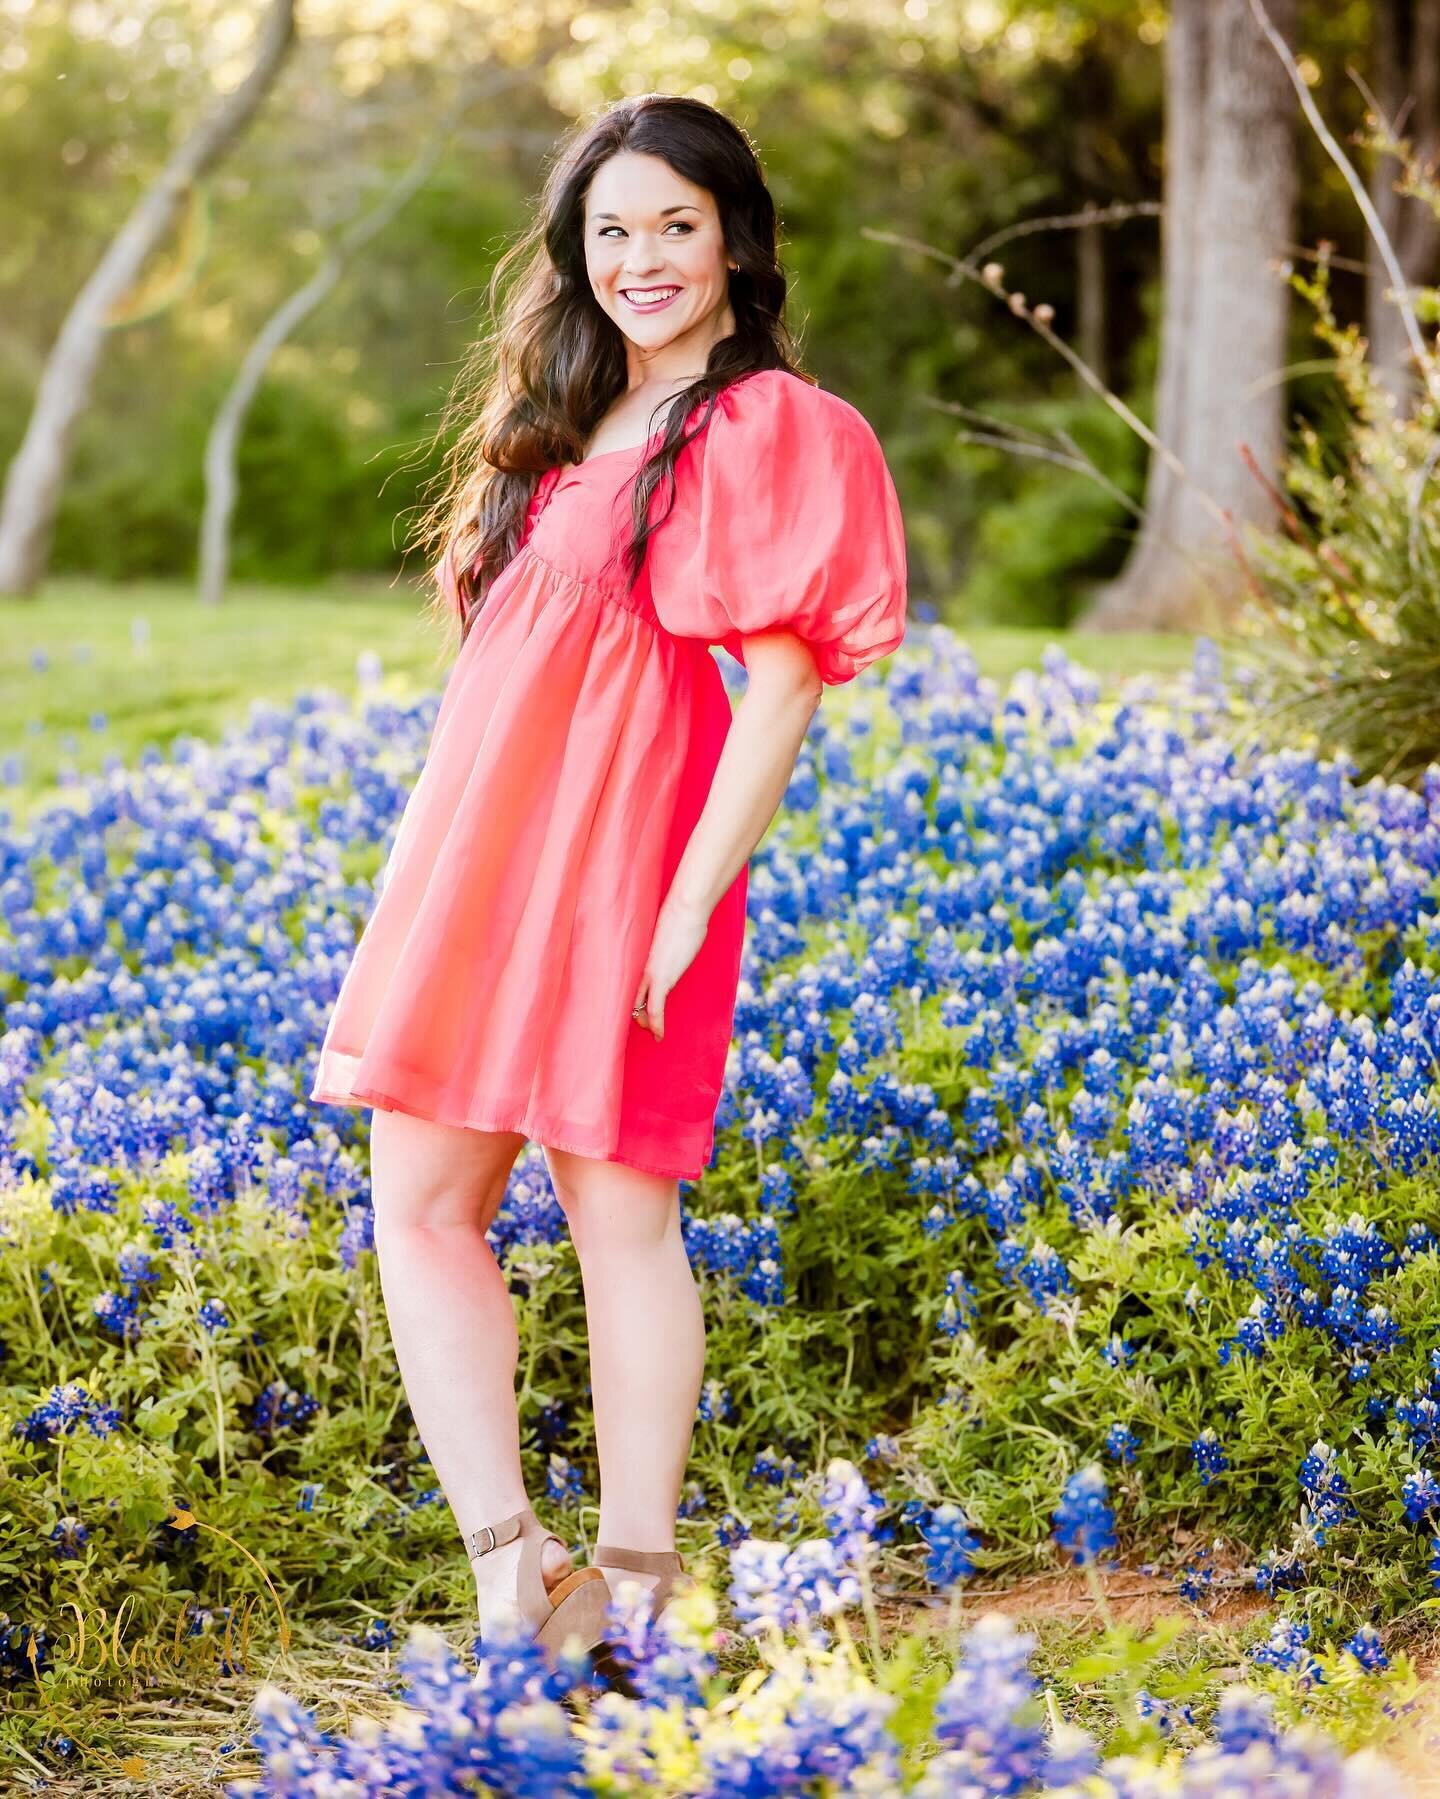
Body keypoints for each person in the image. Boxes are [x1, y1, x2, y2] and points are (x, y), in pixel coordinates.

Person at [308, 92, 908, 1678]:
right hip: (483, 842)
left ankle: (637, 1595)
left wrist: (693, 899)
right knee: (419, 1199)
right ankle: (513, 1567)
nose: (643, 259)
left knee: (616, 1217)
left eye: (677, 226)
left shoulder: (770, 423)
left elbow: (779, 688)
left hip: (632, 850)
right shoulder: (568, 415)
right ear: (578, 255)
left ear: (735, 241)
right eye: (612, 231)